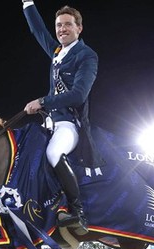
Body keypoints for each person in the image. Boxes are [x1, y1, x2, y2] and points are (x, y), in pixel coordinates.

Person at [21, 1, 99, 234]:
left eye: (67, 25)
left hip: (69, 124)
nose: (61, 29)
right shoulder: (57, 52)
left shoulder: (86, 55)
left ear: (79, 28)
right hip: (49, 123)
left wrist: (43, 101)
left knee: (54, 152)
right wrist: (27, 3)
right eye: (58, 25)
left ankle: (77, 211)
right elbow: (38, 31)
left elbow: (78, 95)